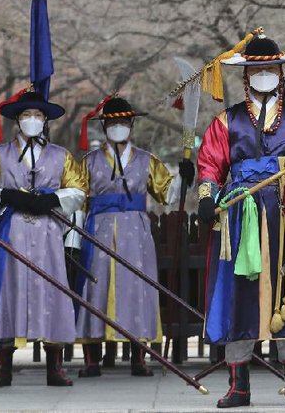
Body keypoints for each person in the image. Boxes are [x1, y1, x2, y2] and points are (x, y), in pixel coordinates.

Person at [196, 31, 285, 408]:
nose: (265, 75)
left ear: (281, 72)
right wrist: (207, 198)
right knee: (241, 295)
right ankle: (239, 385)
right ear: (246, 76)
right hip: (242, 217)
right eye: (257, 70)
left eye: (271, 68)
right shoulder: (228, 121)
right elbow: (209, 165)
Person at [74, 96, 195, 377]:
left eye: (123, 122)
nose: (118, 126)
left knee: (137, 288)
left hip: (136, 233)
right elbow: (77, 201)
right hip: (98, 231)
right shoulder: (88, 162)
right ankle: (93, 358)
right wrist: (74, 237)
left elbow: (167, 194)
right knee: (96, 288)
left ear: (131, 125)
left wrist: (184, 177)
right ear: (104, 126)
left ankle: (139, 357)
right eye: (112, 122)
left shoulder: (147, 160)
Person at [0, 88, 87, 387]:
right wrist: (6, 195)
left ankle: (55, 367)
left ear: (45, 121)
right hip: (11, 231)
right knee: (8, 290)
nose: (33, 120)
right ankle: (2, 367)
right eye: (27, 115)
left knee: (53, 291)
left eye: (38, 116)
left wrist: (52, 200)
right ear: (17, 120)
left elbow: (77, 191)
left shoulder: (61, 156)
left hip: (49, 232)